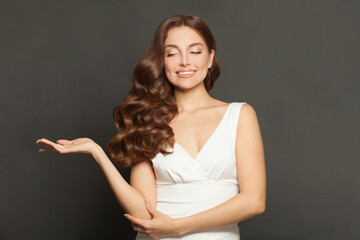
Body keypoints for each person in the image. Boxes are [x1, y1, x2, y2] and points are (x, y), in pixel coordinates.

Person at [36, 15, 266, 240]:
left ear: (210, 58)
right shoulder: (147, 121)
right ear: (162, 61)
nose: (185, 61)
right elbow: (144, 214)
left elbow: (254, 201)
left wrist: (178, 228)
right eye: (172, 53)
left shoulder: (240, 115)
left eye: (195, 51)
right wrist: (97, 153)